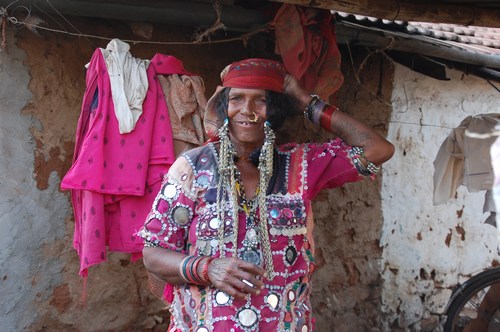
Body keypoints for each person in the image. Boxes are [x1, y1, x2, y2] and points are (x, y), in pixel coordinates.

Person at [138, 58, 394, 331]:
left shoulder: (302, 165)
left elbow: (377, 149)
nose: (246, 110)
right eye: (236, 99)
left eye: (260, 101)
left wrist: (308, 103)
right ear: (225, 107)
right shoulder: (192, 167)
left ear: (275, 109)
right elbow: (153, 254)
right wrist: (207, 268)